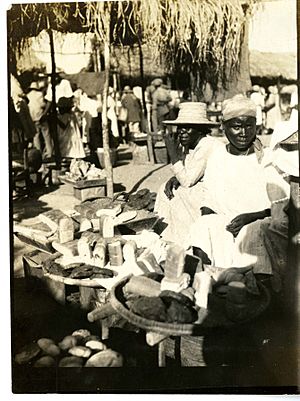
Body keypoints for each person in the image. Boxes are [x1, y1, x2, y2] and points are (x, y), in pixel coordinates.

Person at [186, 94, 287, 276]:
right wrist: (217, 222)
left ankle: (255, 285)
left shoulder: (267, 157)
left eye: (249, 126)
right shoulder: (218, 157)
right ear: (224, 127)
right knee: (203, 226)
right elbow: (208, 198)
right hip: (228, 220)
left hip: (260, 219)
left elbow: (281, 204)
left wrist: (252, 217)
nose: (243, 133)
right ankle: (209, 277)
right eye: (236, 126)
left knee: (252, 231)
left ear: (256, 126)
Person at [154, 102, 221, 244]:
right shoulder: (190, 145)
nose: (182, 132)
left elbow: (187, 181)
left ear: (201, 130)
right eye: (180, 128)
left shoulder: (207, 145)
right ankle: (164, 235)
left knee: (180, 196)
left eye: (188, 128)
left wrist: (172, 153)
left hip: (214, 191)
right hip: (198, 185)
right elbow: (187, 173)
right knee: (164, 189)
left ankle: (185, 241)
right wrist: (174, 177)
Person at [27, 81, 53, 160]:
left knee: (36, 136)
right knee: (46, 135)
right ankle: (49, 153)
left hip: (32, 118)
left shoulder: (28, 95)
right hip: (41, 117)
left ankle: (38, 154)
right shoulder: (40, 94)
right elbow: (42, 104)